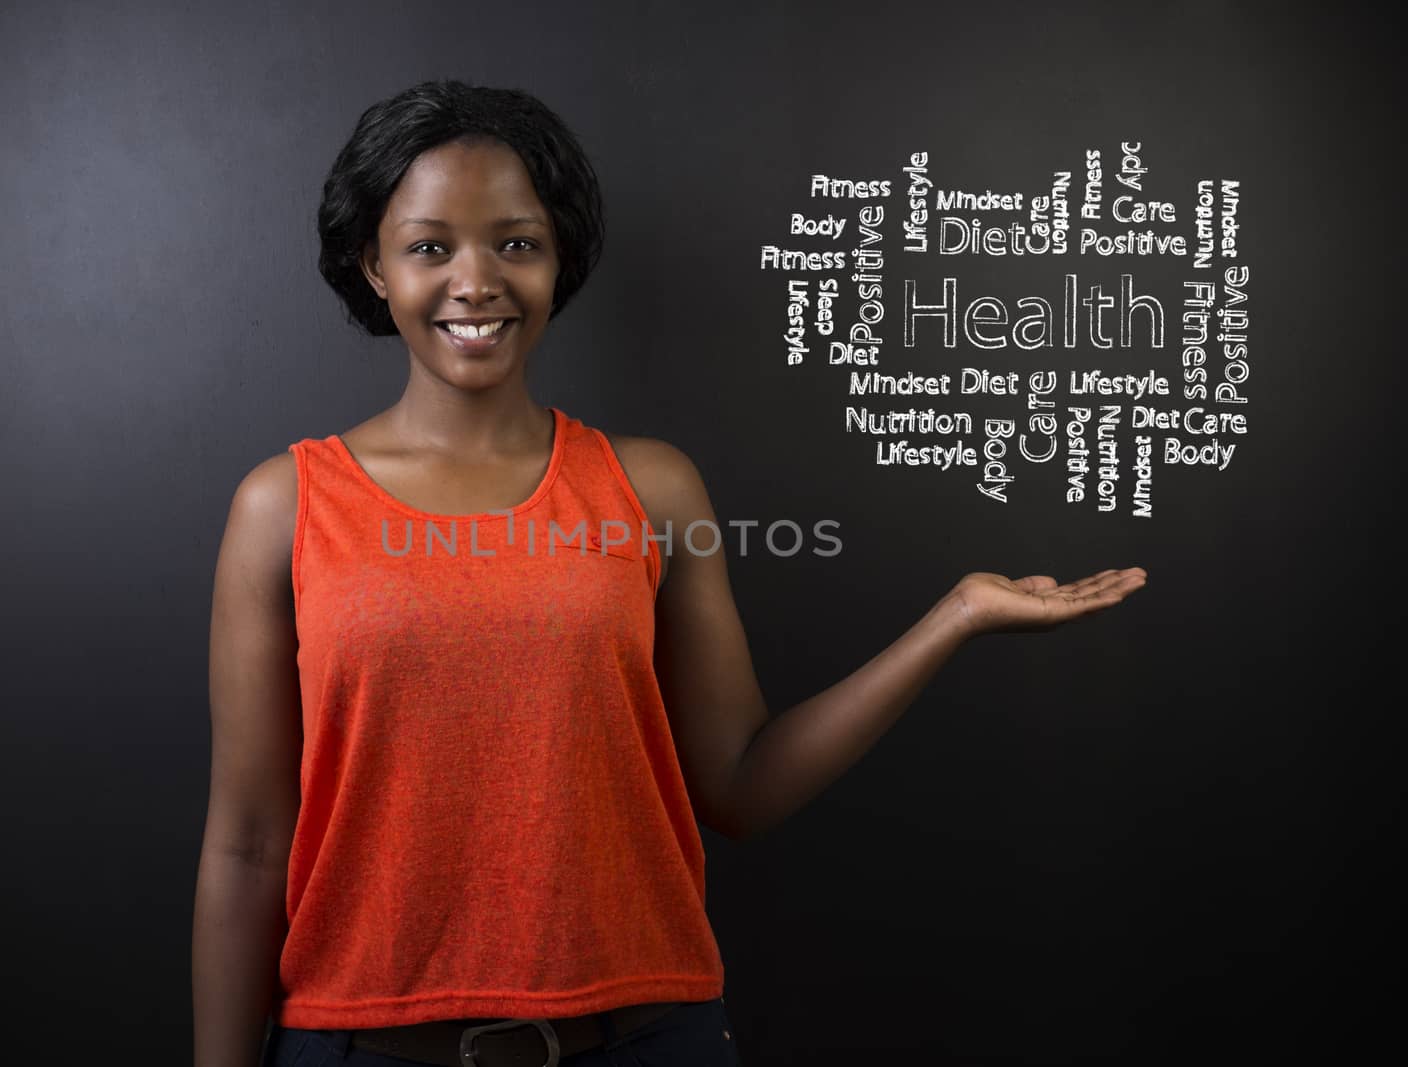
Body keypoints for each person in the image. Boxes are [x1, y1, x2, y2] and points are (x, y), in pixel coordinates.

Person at [191, 80, 1146, 1067]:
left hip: (647, 1039)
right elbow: (249, 844)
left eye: (516, 243)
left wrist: (954, 616)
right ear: (373, 267)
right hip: (358, 1043)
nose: (475, 280)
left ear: (559, 261)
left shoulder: (651, 488)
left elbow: (739, 785)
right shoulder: (285, 505)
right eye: (429, 246)